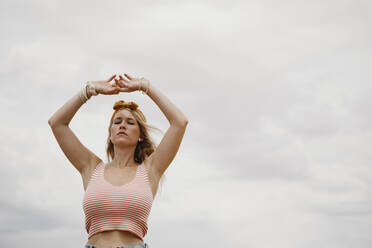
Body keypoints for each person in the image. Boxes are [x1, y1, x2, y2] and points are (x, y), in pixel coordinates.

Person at [48, 73, 189, 248]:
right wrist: (89, 90)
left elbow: (180, 122)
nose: (122, 125)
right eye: (117, 122)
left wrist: (145, 86)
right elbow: (57, 123)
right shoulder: (91, 167)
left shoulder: (150, 169)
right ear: (110, 133)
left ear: (140, 136)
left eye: (130, 123)